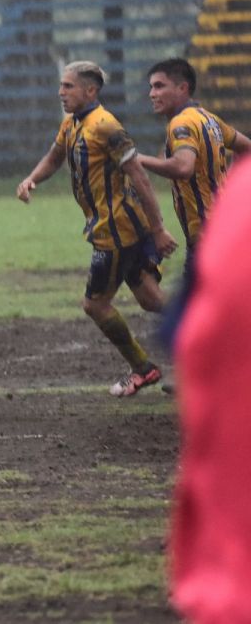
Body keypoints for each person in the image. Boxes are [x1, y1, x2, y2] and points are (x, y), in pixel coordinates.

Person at [17, 60, 177, 397]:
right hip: (116, 228)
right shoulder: (73, 125)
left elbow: (140, 177)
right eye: (61, 86)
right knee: (150, 298)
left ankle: (143, 369)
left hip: (116, 232)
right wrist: (32, 179)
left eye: (68, 86)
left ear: (90, 90)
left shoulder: (106, 127)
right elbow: (55, 156)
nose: (61, 92)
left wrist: (159, 229)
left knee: (95, 305)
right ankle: (216, 333)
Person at [169, 160, 251, 624]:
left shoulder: (241, 196)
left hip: (209, 242)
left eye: (159, 83)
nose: (152, 93)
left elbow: (189, 336)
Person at [138, 57, 251, 276]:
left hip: (208, 236)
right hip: (225, 227)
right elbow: (246, 147)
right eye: (151, 87)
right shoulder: (208, 118)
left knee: (198, 307)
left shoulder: (181, 123)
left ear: (183, 88)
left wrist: (139, 159)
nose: (152, 94)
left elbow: (183, 167)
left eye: (159, 86)